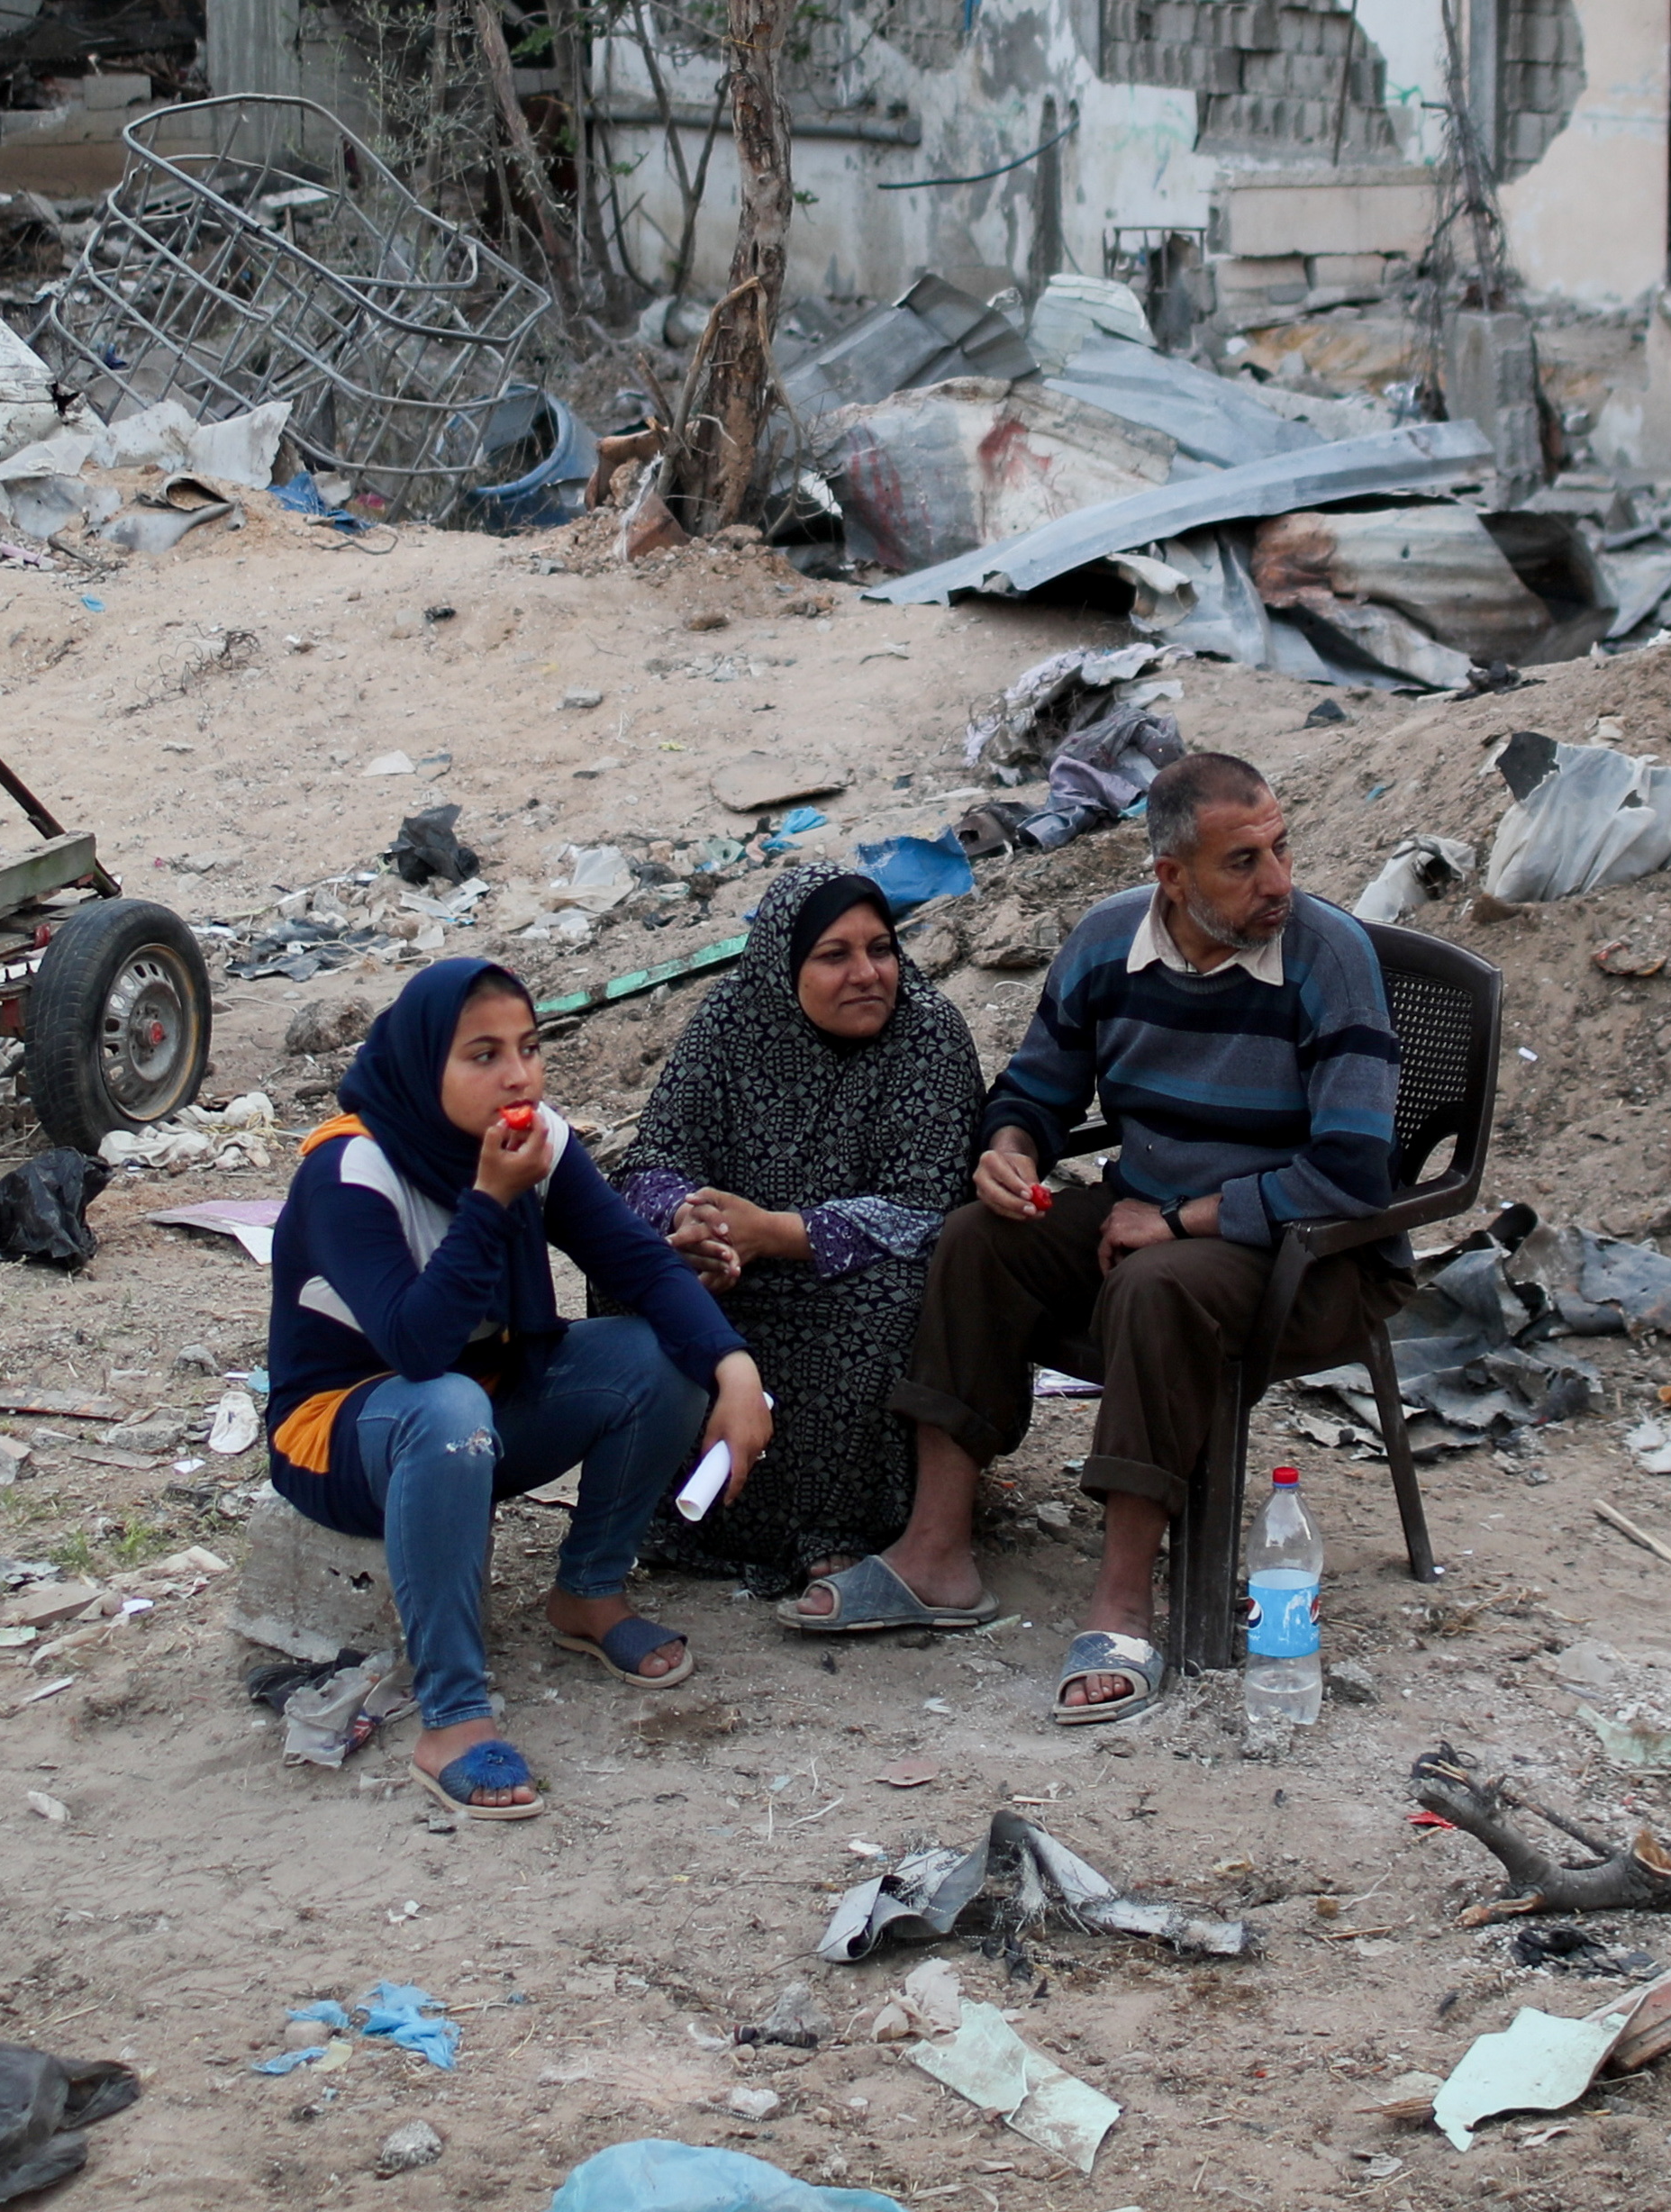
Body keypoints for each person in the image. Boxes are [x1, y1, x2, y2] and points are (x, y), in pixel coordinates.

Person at [782, 749, 1403, 1727]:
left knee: (1155, 1285)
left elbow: (1354, 1171)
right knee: (977, 1238)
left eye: (1281, 848)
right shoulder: (1110, 938)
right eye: (1242, 861)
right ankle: (935, 1551)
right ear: (1171, 875)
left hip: (1309, 1253)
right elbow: (1036, 1083)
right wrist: (1010, 1148)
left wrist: (1181, 1218)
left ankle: (1122, 1598)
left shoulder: (1325, 956)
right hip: (1140, 1218)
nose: (1277, 880)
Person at [264, 957, 772, 1819]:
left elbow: (639, 1264)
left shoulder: (537, 1140)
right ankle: (453, 1718)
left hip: (481, 1408)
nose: (517, 1076)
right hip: (342, 1436)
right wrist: (491, 1201)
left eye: (530, 1049)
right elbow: (416, 1345)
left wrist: (735, 1368)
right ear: (425, 1066)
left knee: (660, 1355)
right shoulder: (350, 1171)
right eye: (482, 1055)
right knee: (447, 1405)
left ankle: (587, 1593)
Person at [611, 865, 989, 1588]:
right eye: (833, 955)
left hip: (848, 1273)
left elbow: (927, 1209)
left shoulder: (928, 1034)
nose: (868, 973)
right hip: (734, 1265)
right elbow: (650, 1159)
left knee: (896, 1304)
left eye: (880, 949)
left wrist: (782, 1233)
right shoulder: (731, 1021)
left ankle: (836, 1531)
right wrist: (693, 1221)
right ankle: (678, 1518)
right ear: (784, 963)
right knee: (631, 1277)